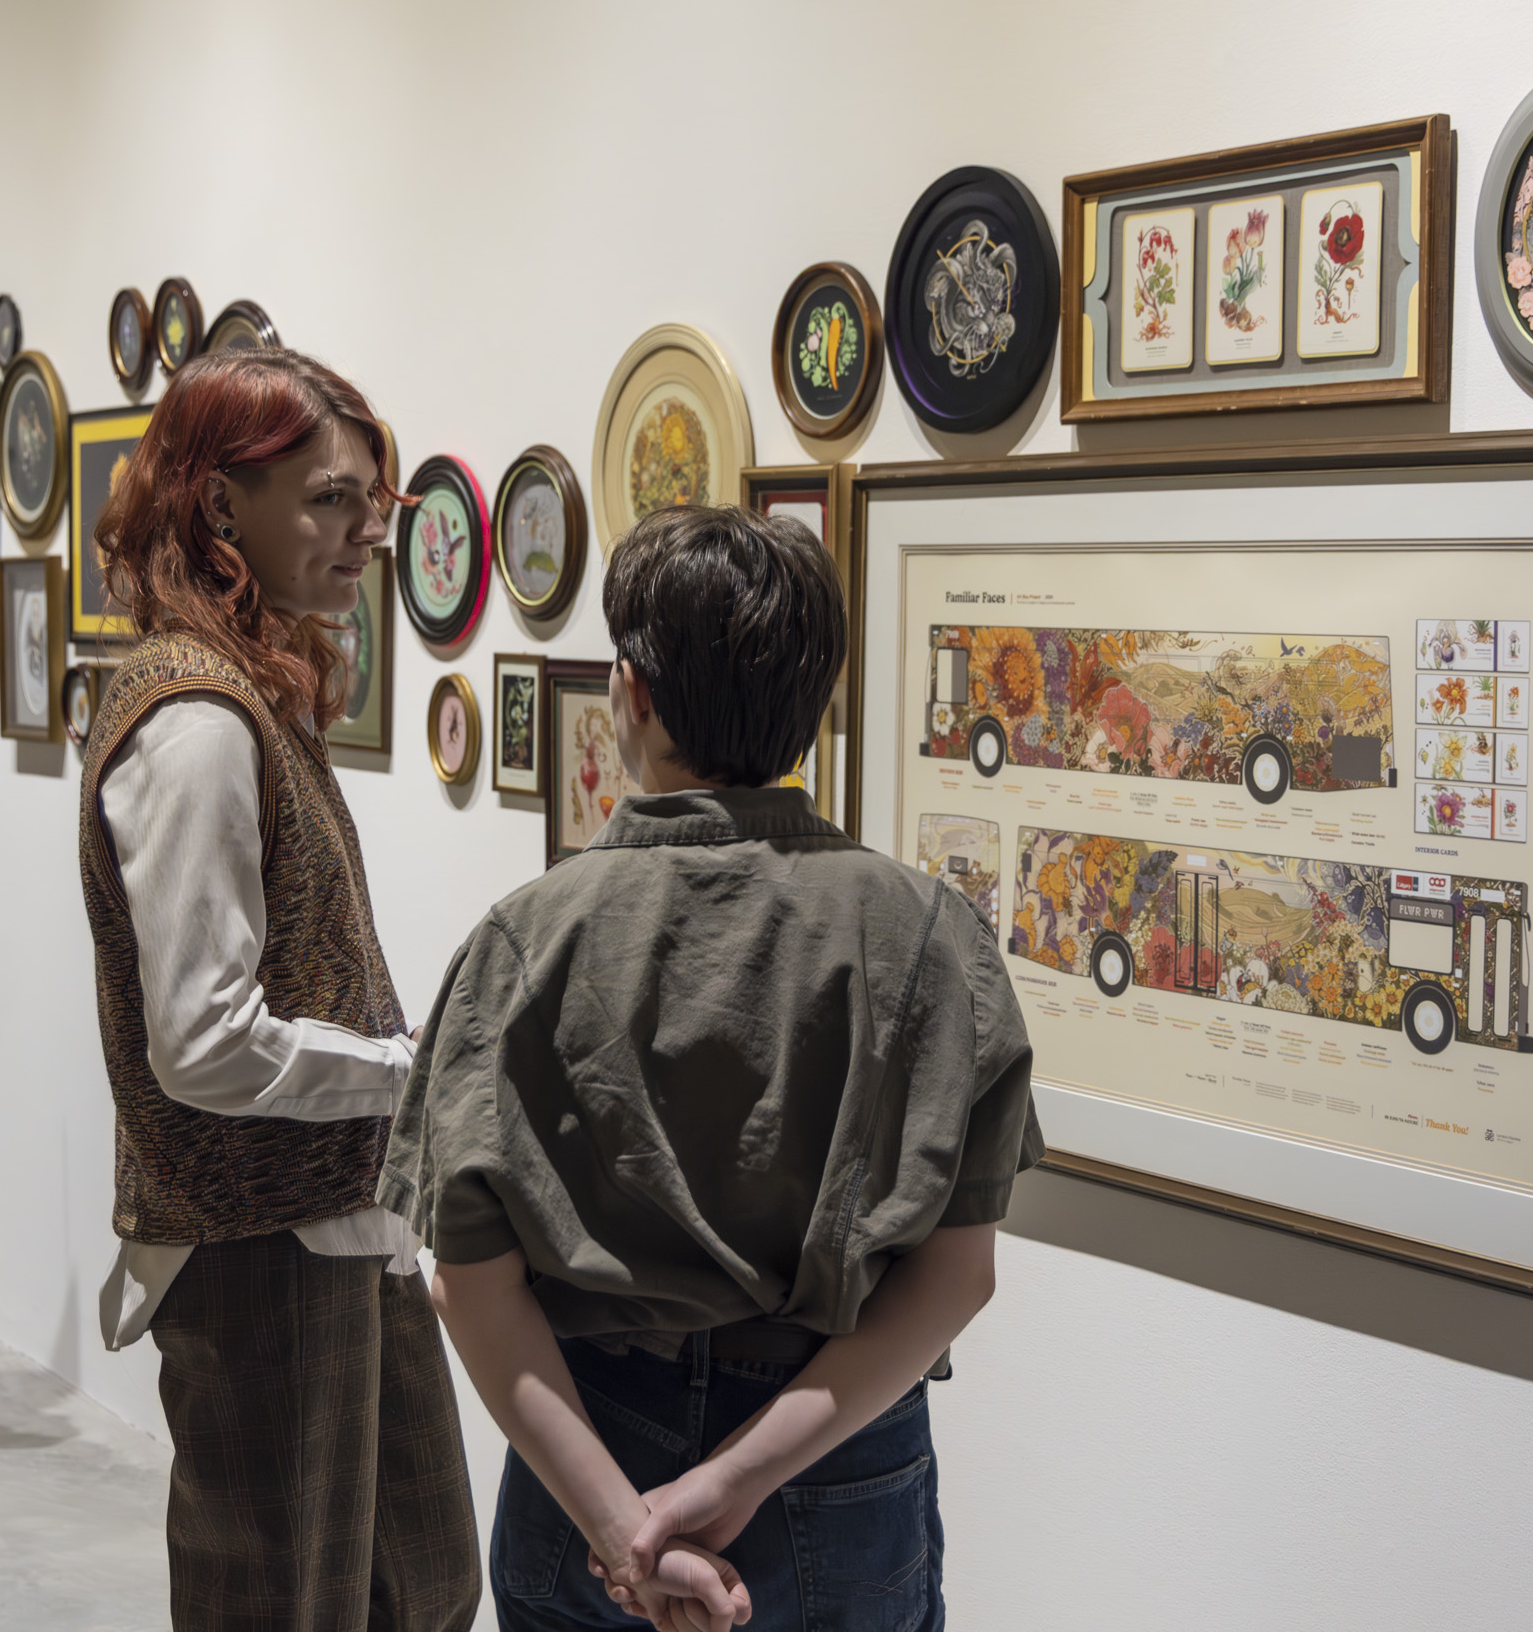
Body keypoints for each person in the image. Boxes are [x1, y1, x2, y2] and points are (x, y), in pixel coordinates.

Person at [381, 505, 1044, 1631]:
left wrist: (623, 1530)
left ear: (632, 691)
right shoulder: (931, 938)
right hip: (835, 1461)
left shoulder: (521, 943)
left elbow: (471, 1284)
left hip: (588, 1450)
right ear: (815, 702)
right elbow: (956, 1277)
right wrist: (734, 1480)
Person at [79, 348, 479, 1631]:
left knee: (419, 1581)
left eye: (371, 500)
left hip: (331, 1221)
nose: (367, 532)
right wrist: (407, 1073)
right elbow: (202, 1041)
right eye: (327, 498)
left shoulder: (249, 693)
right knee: (279, 1600)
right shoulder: (196, 722)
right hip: (257, 1249)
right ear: (217, 506)